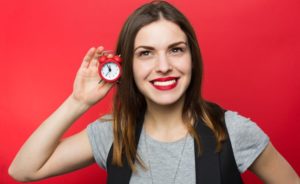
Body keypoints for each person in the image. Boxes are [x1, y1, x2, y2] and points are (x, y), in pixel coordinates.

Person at [8, 1, 299, 183]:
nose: (163, 66)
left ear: (192, 58)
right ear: (127, 66)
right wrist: (77, 102)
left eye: (175, 50)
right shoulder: (113, 133)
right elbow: (23, 171)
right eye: (146, 53)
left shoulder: (233, 132)